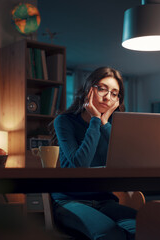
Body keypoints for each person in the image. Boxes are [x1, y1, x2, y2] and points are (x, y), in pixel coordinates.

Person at [51, 67, 136, 240]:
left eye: (114, 93)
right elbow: (80, 165)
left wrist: (104, 124)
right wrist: (96, 121)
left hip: (105, 201)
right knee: (111, 235)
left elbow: (125, 160)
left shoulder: (112, 126)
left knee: (146, 227)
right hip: (70, 201)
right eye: (102, 88)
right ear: (89, 89)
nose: (107, 97)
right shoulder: (65, 121)